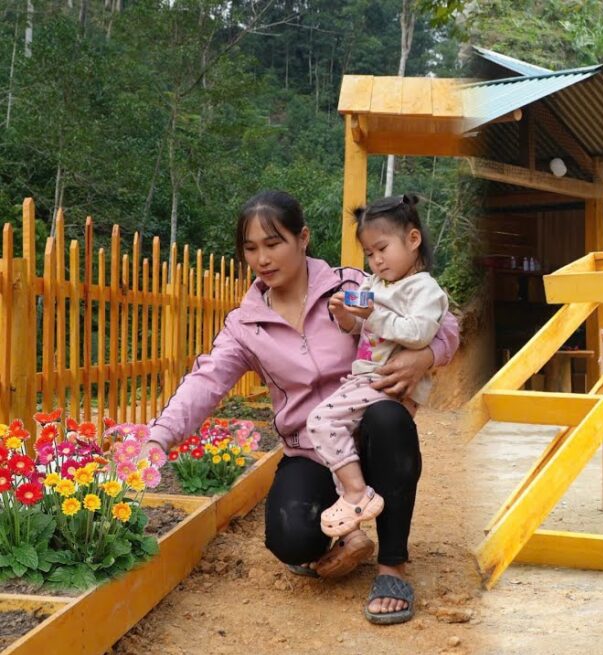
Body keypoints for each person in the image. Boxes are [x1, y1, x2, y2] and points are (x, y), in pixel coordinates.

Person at [143, 190, 459, 623]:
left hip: (370, 437)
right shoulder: (246, 324)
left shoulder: (352, 286)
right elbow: (207, 379)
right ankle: (344, 540)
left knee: (389, 419)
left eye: (274, 244)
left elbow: (445, 320)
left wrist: (426, 356)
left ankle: (392, 568)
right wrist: (159, 436)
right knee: (290, 540)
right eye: (251, 249)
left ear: (303, 238)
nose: (262, 258)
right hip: (309, 450)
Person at [308, 194, 448, 551]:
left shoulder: (424, 289)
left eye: (382, 248)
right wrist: (346, 315)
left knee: (321, 422)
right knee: (335, 430)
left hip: (385, 381)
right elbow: (362, 330)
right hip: (365, 377)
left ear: (413, 240)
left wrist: (373, 314)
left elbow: (420, 332)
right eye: (370, 253)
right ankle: (354, 501)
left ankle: (356, 493)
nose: (376, 260)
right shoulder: (374, 285)